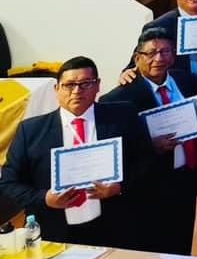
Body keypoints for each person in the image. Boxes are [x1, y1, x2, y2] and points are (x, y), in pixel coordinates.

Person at [0, 56, 142, 247]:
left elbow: (145, 161)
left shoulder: (121, 117)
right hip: (55, 230)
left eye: (85, 84)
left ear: (97, 85)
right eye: (69, 85)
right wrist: (44, 198)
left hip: (114, 226)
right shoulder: (31, 130)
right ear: (56, 89)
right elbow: (8, 182)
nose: (76, 91)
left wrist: (119, 187)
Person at [99, 28, 197, 254]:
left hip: (186, 177)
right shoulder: (117, 98)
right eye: (151, 53)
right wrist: (150, 145)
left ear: (173, 55)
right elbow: (116, 151)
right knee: (152, 250)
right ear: (137, 58)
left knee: (182, 243)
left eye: (165, 51)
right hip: (149, 186)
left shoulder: (188, 81)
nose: (159, 58)